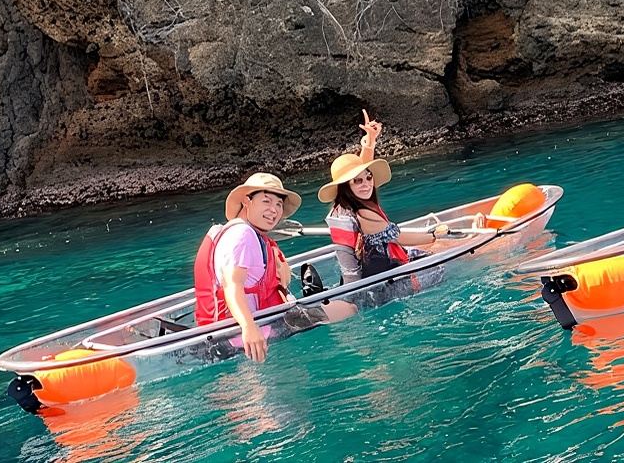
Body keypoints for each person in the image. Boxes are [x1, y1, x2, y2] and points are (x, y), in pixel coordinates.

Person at [319, 111, 454, 285]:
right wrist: (434, 235)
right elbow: (398, 238)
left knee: (438, 248)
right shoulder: (364, 215)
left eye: (369, 178)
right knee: (444, 255)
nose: (366, 184)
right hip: (390, 279)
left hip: (382, 266)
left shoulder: (345, 206)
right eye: (357, 182)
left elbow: (361, 172)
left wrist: (369, 143)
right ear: (346, 187)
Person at [192, 172, 299, 362]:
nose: (274, 210)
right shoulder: (243, 235)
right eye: (266, 201)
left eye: (278, 204)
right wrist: (249, 328)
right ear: (247, 201)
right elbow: (232, 285)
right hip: (237, 339)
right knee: (345, 309)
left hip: (233, 334)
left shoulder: (245, 232)